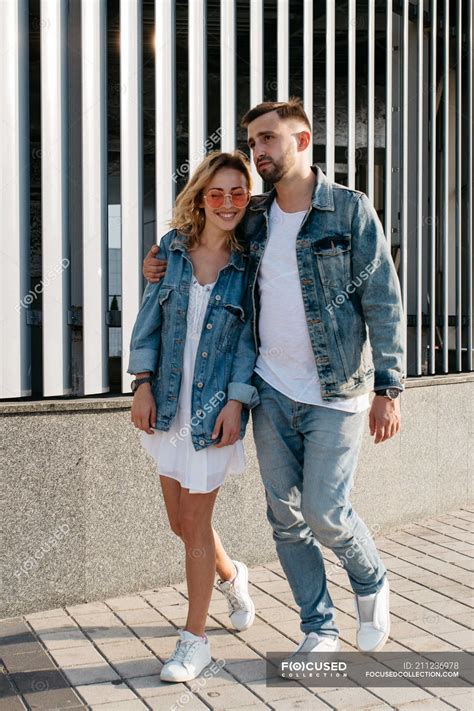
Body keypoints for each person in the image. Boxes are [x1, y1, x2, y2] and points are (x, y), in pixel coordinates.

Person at [142, 98, 406, 657]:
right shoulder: (254, 217)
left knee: (324, 512)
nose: (259, 150)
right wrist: (159, 259)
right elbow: (200, 246)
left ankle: (370, 578)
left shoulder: (349, 210)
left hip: (338, 392)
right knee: (284, 519)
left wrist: (389, 387)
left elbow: (383, 300)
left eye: (268, 139)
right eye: (254, 140)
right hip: (271, 389)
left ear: (302, 141)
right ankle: (319, 628)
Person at [127, 151, 259, 682]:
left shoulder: (249, 264)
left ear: (247, 201)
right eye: (217, 192)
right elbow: (148, 321)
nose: (228, 203)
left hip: (212, 413)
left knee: (196, 524)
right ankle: (232, 576)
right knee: (179, 523)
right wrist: (140, 385)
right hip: (168, 403)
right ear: (201, 196)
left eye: (238, 193)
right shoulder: (172, 255)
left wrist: (236, 400)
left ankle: (194, 641)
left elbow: (252, 341)